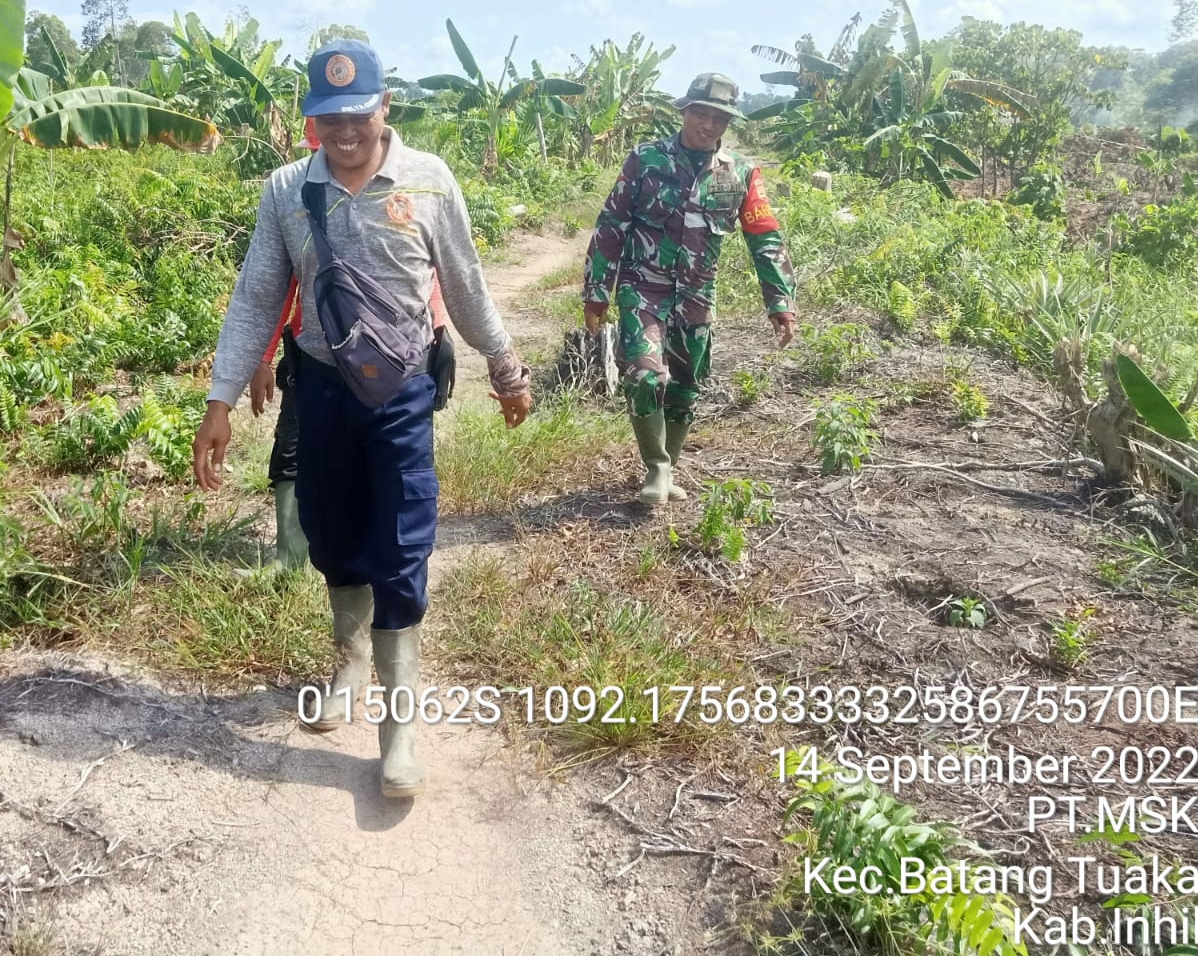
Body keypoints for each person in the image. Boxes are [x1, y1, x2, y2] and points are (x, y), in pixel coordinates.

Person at [193, 39, 531, 797]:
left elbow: (466, 282)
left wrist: (505, 366)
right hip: (320, 387)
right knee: (330, 526)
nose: (344, 132)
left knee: (403, 539)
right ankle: (349, 659)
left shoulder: (430, 181)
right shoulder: (286, 190)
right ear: (310, 122)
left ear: (385, 107)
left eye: (357, 114)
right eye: (327, 118)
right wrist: (218, 403)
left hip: (403, 388)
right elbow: (256, 296)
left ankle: (398, 724)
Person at [246, 117, 455, 573]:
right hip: (317, 360)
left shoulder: (417, 185)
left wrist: (437, 334)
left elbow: (432, 275)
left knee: (394, 476)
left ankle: (384, 568)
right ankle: (291, 554)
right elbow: (273, 292)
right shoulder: (293, 194)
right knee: (293, 450)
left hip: (396, 362)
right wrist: (261, 359)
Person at [582, 72, 797, 504]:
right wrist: (597, 290)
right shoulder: (645, 160)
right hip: (644, 288)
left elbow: (765, 238)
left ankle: (668, 468)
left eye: (720, 118)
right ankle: (657, 467)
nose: (709, 125)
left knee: (685, 386)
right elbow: (611, 226)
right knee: (645, 376)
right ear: (684, 112)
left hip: (698, 295)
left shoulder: (740, 173)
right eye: (701, 114)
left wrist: (780, 301)